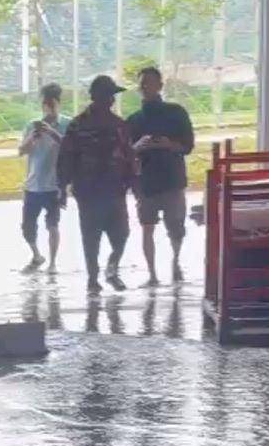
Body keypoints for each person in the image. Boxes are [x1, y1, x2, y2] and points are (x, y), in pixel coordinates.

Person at [57, 75, 137, 295]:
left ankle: (112, 269)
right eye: (108, 95)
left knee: (122, 234)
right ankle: (93, 280)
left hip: (114, 190)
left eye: (112, 96)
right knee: (91, 238)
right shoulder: (78, 124)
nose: (111, 100)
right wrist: (61, 187)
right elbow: (66, 157)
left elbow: (129, 156)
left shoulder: (119, 125)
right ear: (97, 97)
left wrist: (132, 182)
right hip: (89, 192)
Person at [126, 67, 195, 286]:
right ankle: (152, 274)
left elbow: (188, 145)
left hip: (172, 179)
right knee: (147, 226)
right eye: (142, 83)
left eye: (150, 82)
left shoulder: (176, 113)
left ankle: (175, 262)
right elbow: (125, 152)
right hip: (146, 182)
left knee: (176, 226)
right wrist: (137, 147)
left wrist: (170, 144)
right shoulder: (134, 120)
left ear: (160, 86)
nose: (146, 87)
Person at [18, 83, 71, 273]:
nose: (48, 108)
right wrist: (33, 136)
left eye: (52, 104)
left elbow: (70, 147)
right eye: (45, 104)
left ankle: (53, 263)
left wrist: (52, 131)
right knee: (27, 227)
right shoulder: (32, 125)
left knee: (52, 224)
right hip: (33, 184)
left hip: (54, 185)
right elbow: (21, 151)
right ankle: (36, 255)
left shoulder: (67, 124)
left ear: (58, 103)